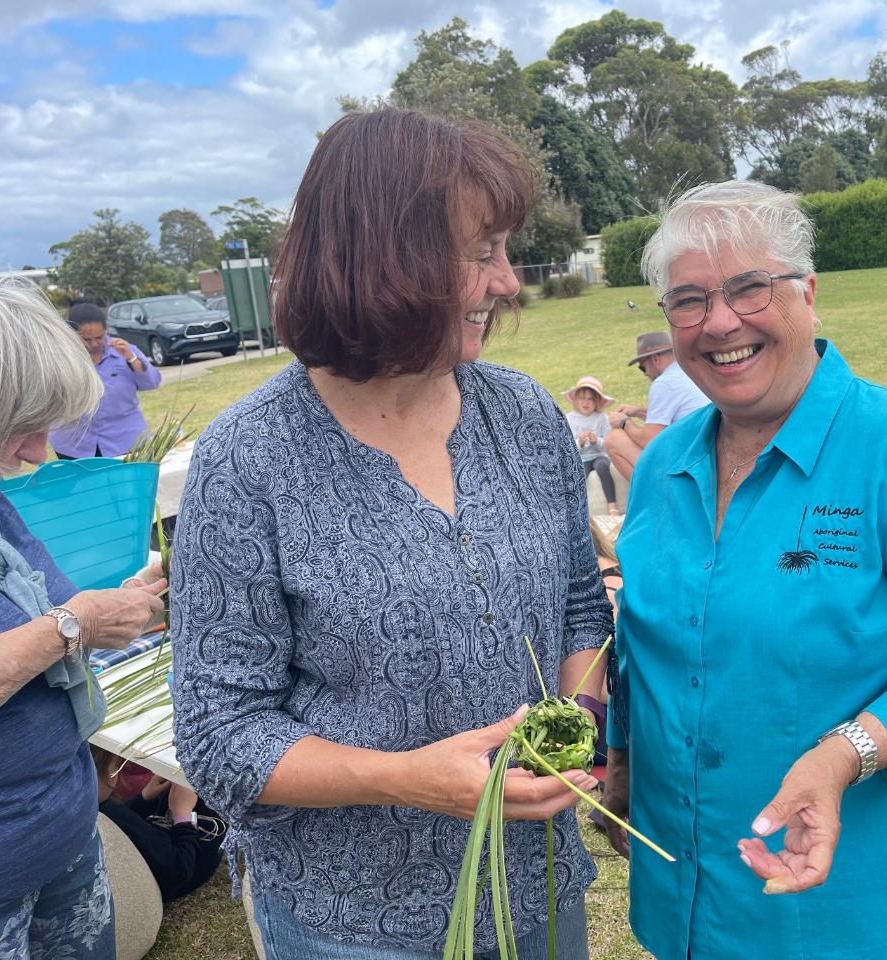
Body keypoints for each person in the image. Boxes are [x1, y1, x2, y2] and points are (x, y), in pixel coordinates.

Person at [170, 108, 610, 960]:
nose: (509, 282)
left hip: (536, 888)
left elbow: (580, 604)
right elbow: (221, 732)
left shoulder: (521, 413)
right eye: (480, 253)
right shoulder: (248, 458)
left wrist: (580, 713)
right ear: (380, 254)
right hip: (355, 921)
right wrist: (402, 780)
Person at [600, 181, 887, 960]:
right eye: (688, 301)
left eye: (748, 288)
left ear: (808, 292)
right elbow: (645, 638)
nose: (719, 323)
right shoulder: (664, 463)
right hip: (687, 880)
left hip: (853, 895)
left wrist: (844, 754)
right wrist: (624, 760)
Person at [0, 283, 167, 959]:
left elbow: (46, 612)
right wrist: (70, 626)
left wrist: (127, 606)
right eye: (21, 425)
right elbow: (55, 626)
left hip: (61, 831)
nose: (38, 452)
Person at [91, 747, 226, 902]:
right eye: (117, 767)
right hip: (178, 872)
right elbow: (180, 869)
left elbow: (123, 824)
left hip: (150, 860)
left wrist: (143, 799)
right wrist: (183, 815)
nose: (118, 774)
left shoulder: (95, 808)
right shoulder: (110, 811)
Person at [49, 302, 162, 460]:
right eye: (87, 339)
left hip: (126, 440)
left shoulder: (124, 351)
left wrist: (131, 358)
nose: (94, 344)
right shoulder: (58, 358)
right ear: (71, 334)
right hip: (74, 446)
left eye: (99, 337)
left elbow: (152, 382)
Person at [604, 330, 710, 481]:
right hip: (705, 456)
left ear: (655, 359)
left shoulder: (664, 383)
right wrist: (639, 412)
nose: (645, 374)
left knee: (613, 439)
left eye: (642, 367)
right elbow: (677, 418)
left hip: (688, 466)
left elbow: (650, 440)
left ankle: (651, 498)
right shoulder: (689, 371)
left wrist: (623, 422)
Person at [564, 375, 621, 515]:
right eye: (582, 398)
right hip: (581, 457)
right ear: (575, 400)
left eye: (590, 399)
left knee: (602, 466)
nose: (586, 402)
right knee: (580, 473)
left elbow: (609, 443)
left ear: (597, 403)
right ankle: (578, 508)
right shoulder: (570, 419)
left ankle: (612, 505)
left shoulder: (602, 418)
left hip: (599, 455)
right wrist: (580, 442)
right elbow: (568, 446)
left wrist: (598, 441)